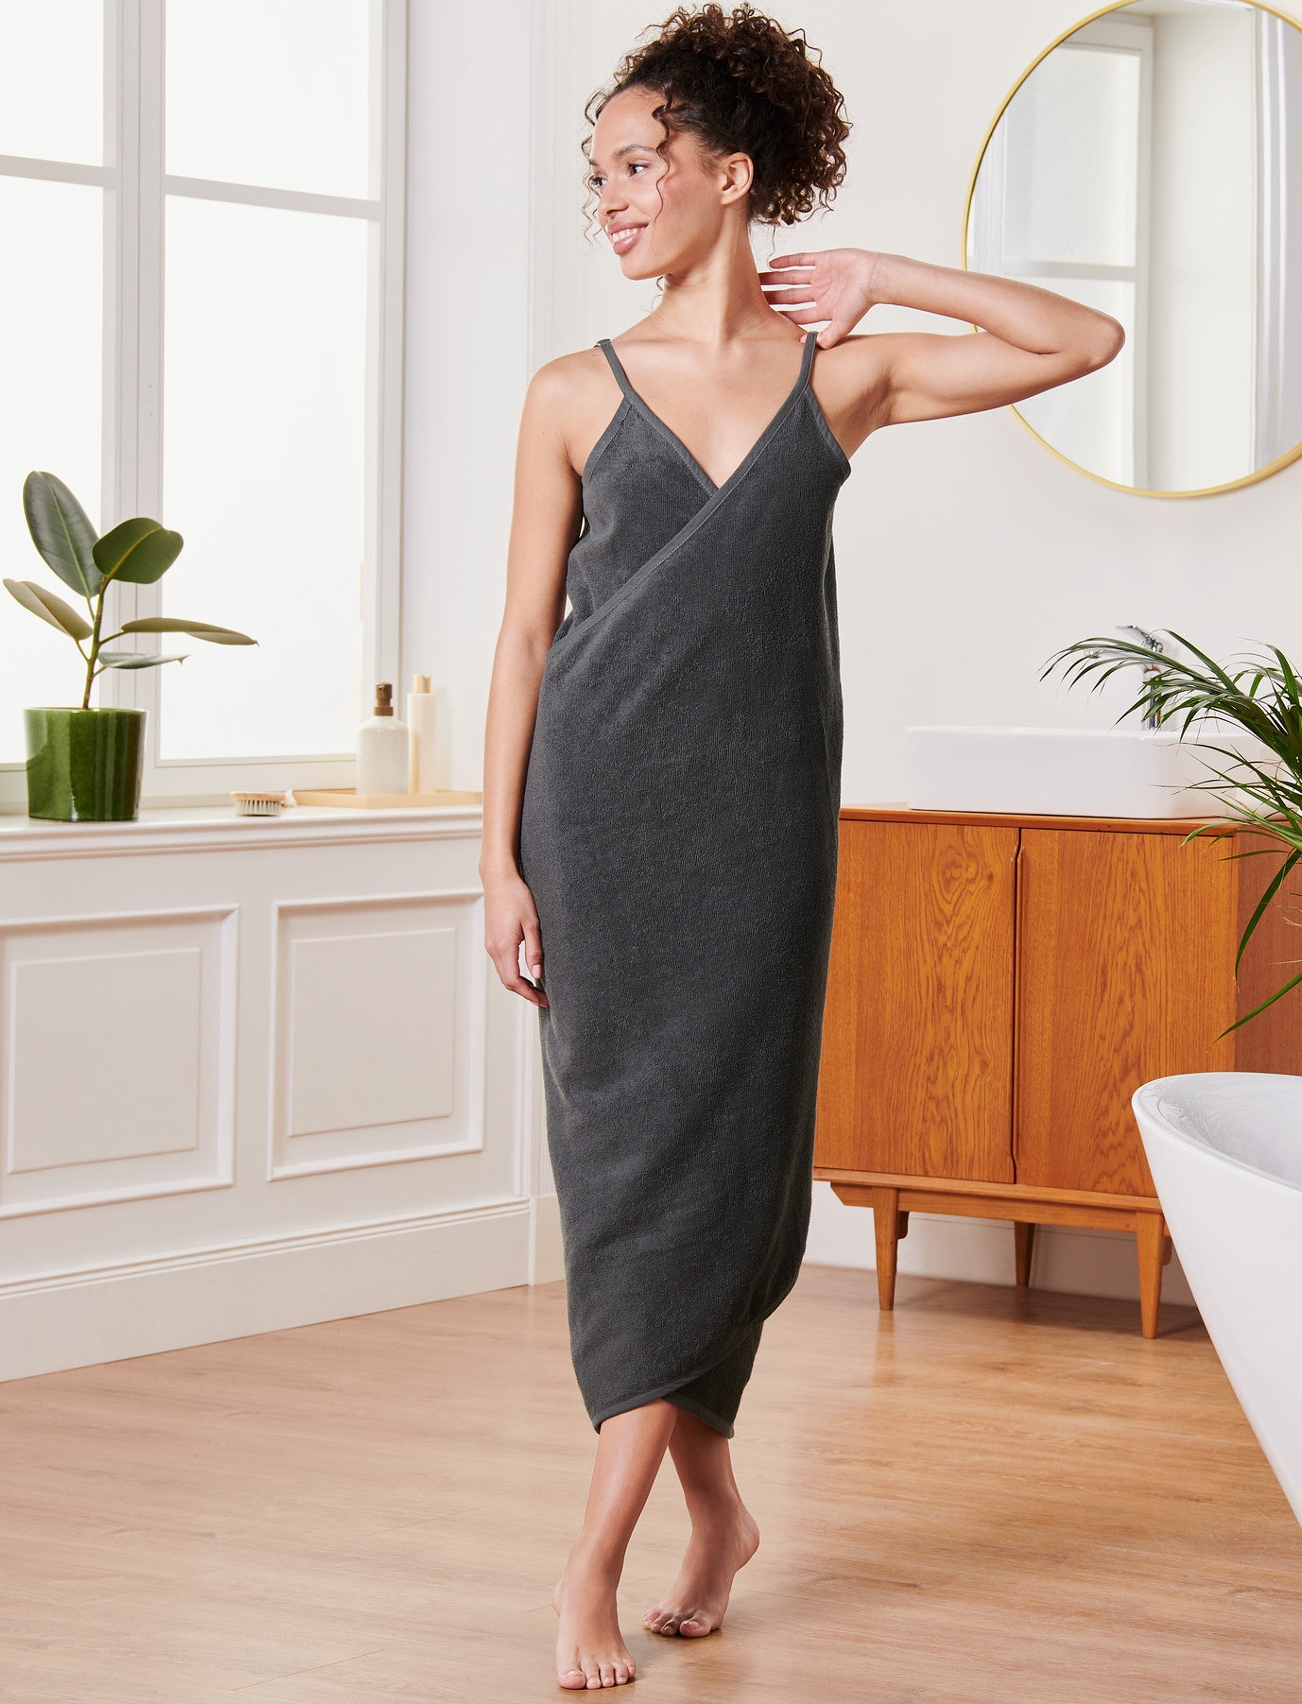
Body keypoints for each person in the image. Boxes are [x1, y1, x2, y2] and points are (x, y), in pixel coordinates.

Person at [478, 5, 1123, 1689]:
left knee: (730, 1185)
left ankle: (614, 1546)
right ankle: (669, 1527)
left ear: (729, 170)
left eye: (639, 165)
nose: (611, 200)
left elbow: (1084, 340)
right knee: (628, 1181)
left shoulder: (844, 377)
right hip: (596, 834)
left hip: (759, 837)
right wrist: (496, 859)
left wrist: (891, 273)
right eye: (596, 175)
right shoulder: (567, 391)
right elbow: (524, 645)